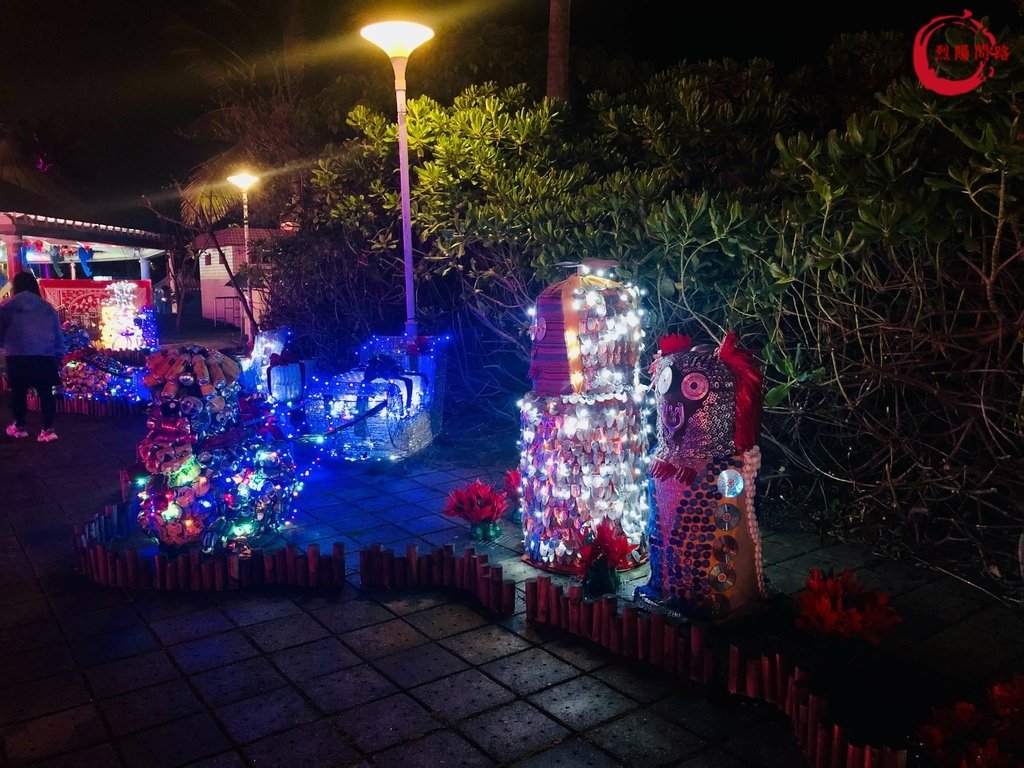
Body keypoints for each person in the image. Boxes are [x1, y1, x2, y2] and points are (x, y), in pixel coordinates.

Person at [0, 271, 65, 441]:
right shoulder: (47, 307)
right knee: (45, 392)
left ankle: (20, 427)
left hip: (17, 354)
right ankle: (48, 430)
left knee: (18, 393)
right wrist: (59, 353)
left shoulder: (6, 307)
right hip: (43, 354)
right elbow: (57, 333)